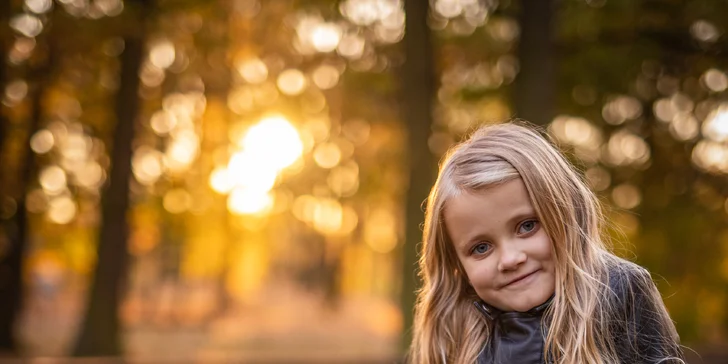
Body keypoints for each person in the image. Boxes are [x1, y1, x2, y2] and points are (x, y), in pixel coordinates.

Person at [408, 121, 685, 364]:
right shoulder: (453, 330)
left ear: (565, 212)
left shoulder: (620, 292)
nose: (510, 259)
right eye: (481, 248)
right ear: (457, 264)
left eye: (527, 226)